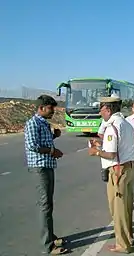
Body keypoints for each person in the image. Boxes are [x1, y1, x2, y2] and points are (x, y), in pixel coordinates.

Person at [88, 94, 134, 253]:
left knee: (118, 209)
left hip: (118, 171)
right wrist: (101, 144)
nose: (100, 112)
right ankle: (129, 238)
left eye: (101, 109)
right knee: (127, 207)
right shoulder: (126, 124)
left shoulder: (112, 127)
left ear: (108, 109)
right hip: (130, 168)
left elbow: (111, 154)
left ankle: (123, 245)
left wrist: (95, 151)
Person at [24, 95, 69, 255]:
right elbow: (32, 145)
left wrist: (54, 136)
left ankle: (51, 236)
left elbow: (43, 141)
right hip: (39, 168)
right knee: (44, 205)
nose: (53, 112)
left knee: (48, 204)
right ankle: (48, 245)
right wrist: (52, 151)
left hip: (47, 166)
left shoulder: (43, 123)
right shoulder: (32, 123)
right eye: (50, 109)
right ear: (41, 108)